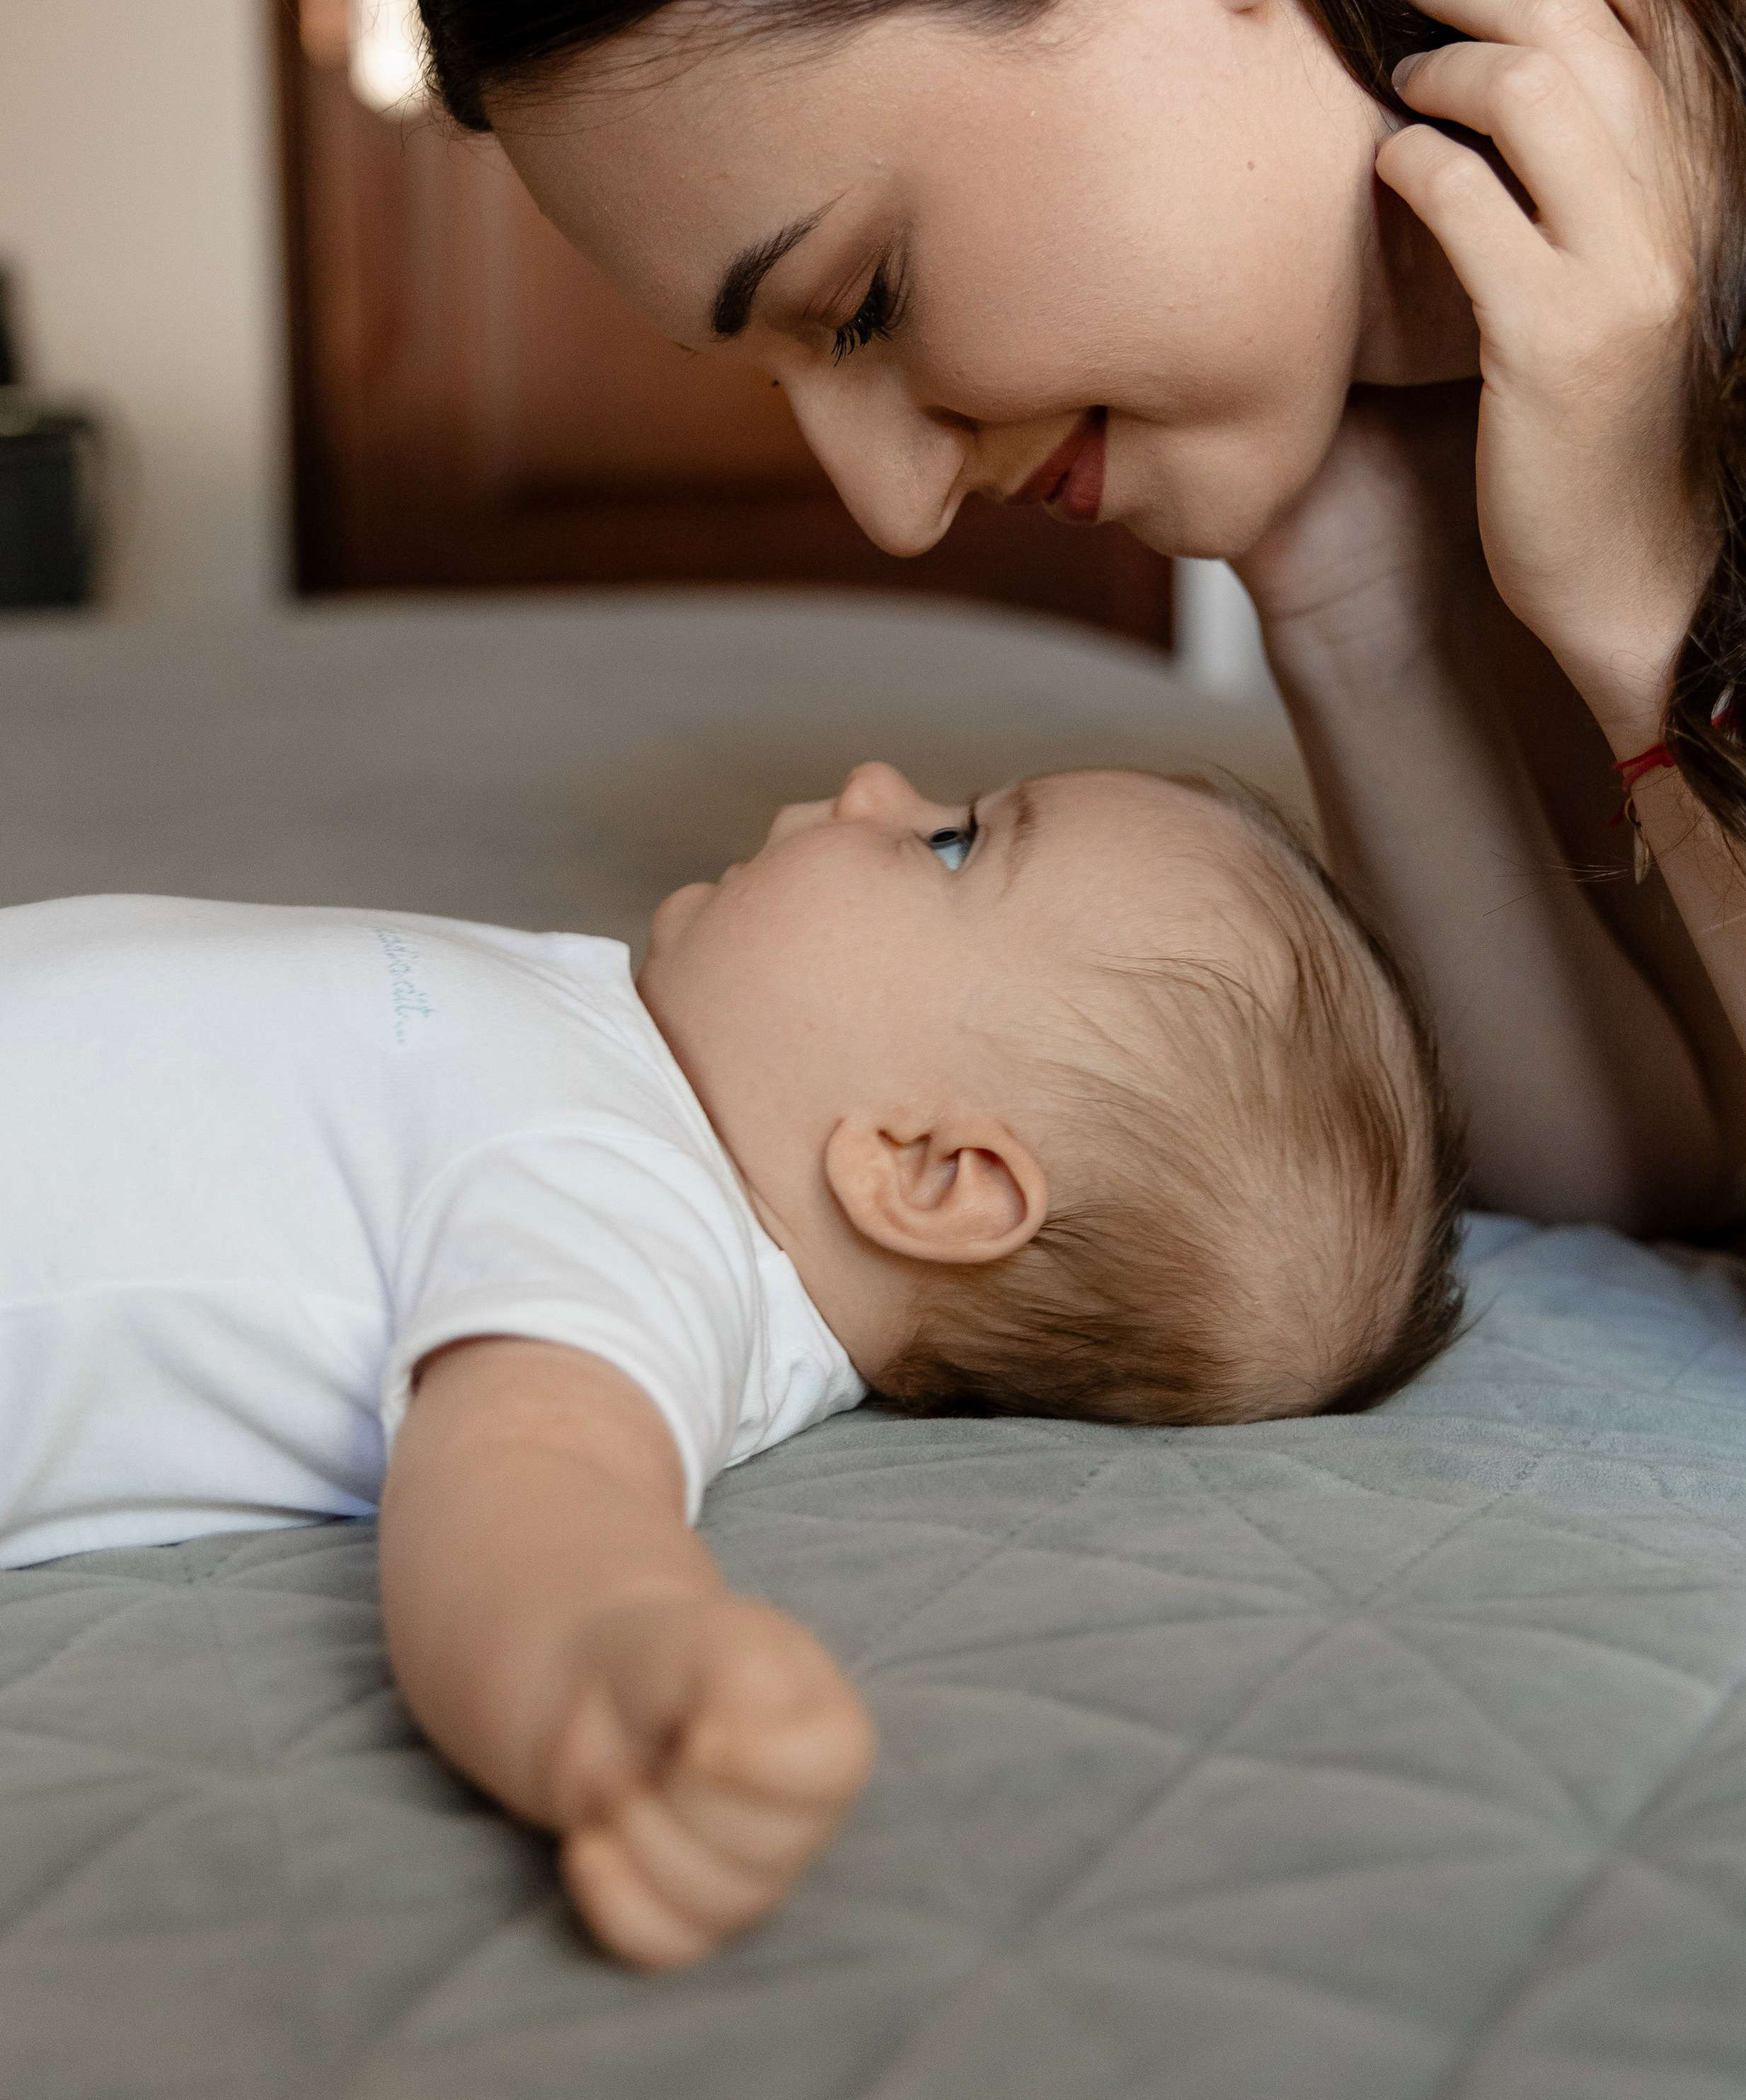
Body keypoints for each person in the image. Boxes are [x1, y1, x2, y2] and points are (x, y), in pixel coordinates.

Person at [410, 0, 1746, 1253]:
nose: (897, 510)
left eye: (865, 299)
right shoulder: (1445, 354)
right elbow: (1660, 1155)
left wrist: (1645, 606)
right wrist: (1348, 595)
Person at [0, 761, 1459, 1968]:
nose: (881, 784)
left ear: (929, 1169)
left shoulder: (631, 1211)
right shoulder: (627, 1068)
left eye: (952, 845)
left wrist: (620, 1666)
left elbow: (539, 1478)